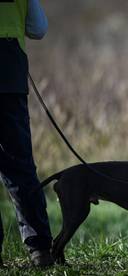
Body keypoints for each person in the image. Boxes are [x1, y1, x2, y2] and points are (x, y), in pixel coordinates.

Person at [0, 0, 53, 267]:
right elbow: (38, 28)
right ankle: (40, 249)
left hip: (11, 74)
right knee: (19, 166)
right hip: (9, 74)